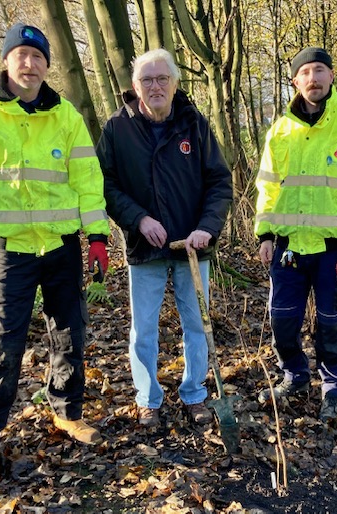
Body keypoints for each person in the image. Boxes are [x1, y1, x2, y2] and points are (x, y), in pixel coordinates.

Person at [0, 23, 110, 488]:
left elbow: (87, 179)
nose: (29, 64)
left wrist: (96, 237)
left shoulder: (66, 114)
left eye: (38, 57)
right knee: (3, 342)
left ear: (48, 65)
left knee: (70, 333)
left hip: (62, 246)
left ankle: (68, 413)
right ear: (7, 61)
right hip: (8, 251)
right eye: (21, 55)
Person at [96, 49, 232, 427]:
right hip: (145, 248)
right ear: (135, 86)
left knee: (197, 324)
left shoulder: (195, 125)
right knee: (144, 328)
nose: (155, 86)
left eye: (162, 79)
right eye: (147, 80)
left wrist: (207, 227)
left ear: (175, 83)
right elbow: (103, 184)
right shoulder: (116, 129)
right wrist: (137, 219)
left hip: (193, 247)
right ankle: (148, 398)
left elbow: (219, 181)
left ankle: (194, 393)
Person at [254, 47, 337, 421]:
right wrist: (264, 234)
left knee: (330, 322)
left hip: (333, 251)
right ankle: (294, 374)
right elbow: (267, 188)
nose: (313, 78)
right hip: (288, 249)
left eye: (320, 70)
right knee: (282, 319)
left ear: (331, 76)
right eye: (305, 72)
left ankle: (334, 387)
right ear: (295, 80)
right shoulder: (279, 132)